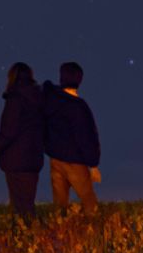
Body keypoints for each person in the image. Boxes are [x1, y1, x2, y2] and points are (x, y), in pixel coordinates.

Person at [42, 61, 101, 215]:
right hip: (75, 161)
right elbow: (87, 137)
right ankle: (93, 233)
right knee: (89, 201)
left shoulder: (51, 100)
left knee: (59, 203)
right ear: (79, 80)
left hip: (55, 158)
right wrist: (93, 165)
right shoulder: (78, 107)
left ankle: (61, 232)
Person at [0, 62, 45, 222]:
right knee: (28, 202)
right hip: (34, 157)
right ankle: (31, 234)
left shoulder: (15, 99)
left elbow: (9, 129)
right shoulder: (39, 98)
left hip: (15, 159)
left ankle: (24, 235)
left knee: (19, 204)